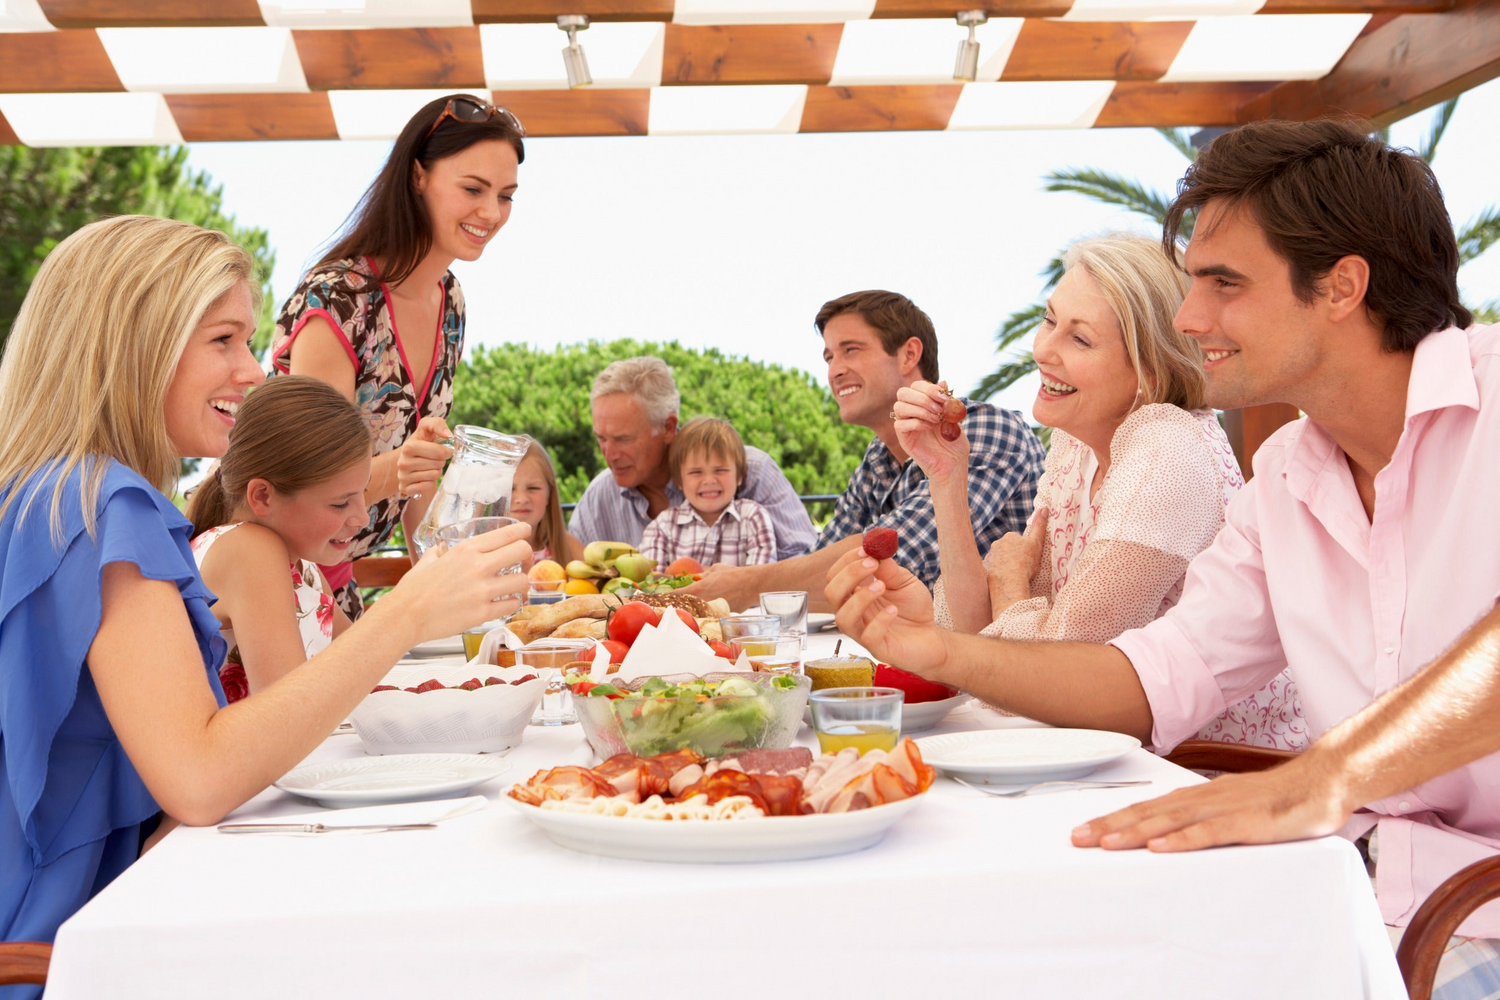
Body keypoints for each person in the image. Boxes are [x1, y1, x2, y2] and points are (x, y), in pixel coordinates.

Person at [825, 118, 1500, 982]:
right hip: (1352, 897)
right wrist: (934, 652)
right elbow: (1152, 676)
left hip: (1462, 921)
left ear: (1341, 286)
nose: (1188, 317)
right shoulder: (1286, 476)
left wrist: (1323, 777)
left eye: (1223, 283)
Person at [0, 216, 531, 966]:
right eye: (222, 340)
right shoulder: (105, 507)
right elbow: (199, 779)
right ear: (133, 344)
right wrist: (409, 612)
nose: (253, 370)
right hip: (69, 936)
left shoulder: (48, 495)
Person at [903, 234, 1302, 750]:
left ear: (1150, 371)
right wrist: (946, 480)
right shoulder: (1075, 443)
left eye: (1080, 340)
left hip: (1211, 773)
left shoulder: (1167, 445)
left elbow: (1052, 674)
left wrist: (1008, 586)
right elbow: (976, 644)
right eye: (1049, 321)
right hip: (1114, 757)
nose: (1044, 350)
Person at [269, 93, 526, 619]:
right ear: (417, 176)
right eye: (473, 189)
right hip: (275, 578)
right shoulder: (337, 298)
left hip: (338, 582)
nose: (491, 212)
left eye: (506, 196)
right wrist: (404, 467)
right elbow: (311, 478)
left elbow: (419, 482)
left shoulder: (449, 299)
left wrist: (451, 591)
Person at [691, 290, 1045, 612]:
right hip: (931, 655)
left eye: (851, 350)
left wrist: (746, 585)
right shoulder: (878, 458)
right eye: (829, 356)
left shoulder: (981, 431)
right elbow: (821, 562)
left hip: (1007, 659)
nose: (834, 370)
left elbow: (888, 556)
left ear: (908, 354)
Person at [187, 376, 372, 704]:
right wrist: (414, 607)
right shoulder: (248, 549)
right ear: (262, 496)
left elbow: (365, 666)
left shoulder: (302, 567)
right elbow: (286, 710)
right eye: (340, 503)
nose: (362, 517)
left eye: (363, 493)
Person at [568, 356, 817, 558]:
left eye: (623, 439)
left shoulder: (754, 471)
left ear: (667, 427)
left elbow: (808, 568)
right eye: (601, 438)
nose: (609, 455)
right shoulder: (598, 497)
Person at [638, 417, 777, 569]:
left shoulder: (753, 517)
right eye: (696, 472)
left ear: (739, 476)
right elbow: (653, 584)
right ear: (679, 480)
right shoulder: (662, 527)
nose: (709, 481)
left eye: (720, 470)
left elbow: (759, 579)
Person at [510, 437, 584, 565]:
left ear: (550, 494)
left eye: (533, 488)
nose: (521, 499)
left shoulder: (569, 547)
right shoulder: (481, 551)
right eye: (509, 489)